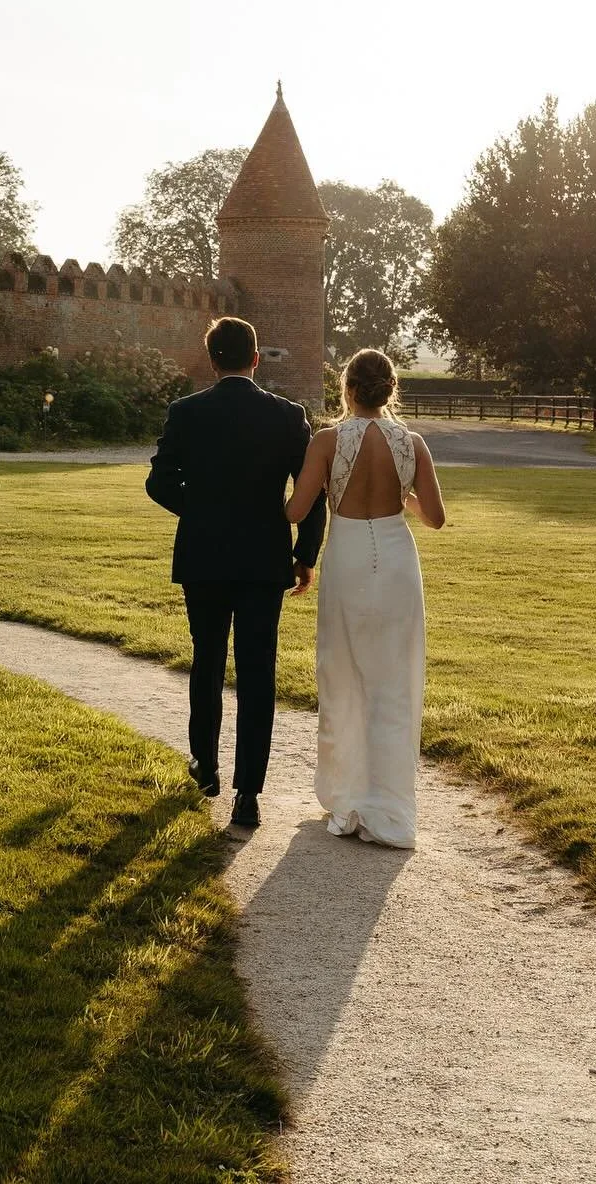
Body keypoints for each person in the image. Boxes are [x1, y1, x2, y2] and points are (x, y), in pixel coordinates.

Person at [146, 316, 326, 832]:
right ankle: (248, 793)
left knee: (206, 661)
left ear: (211, 359)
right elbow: (311, 494)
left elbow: (158, 483)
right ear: (255, 358)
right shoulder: (288, 416)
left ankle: (205, 768)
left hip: (203, 556)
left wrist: (198, 511)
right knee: (256, 670)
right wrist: (305, 553)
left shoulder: (186, 412)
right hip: (263, 557)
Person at [284, 348, 445, 848]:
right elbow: (435, 518)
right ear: (391, 389)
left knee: (345, 674)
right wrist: (403, 495)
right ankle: (389, 807)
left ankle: (348, 799)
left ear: (347, 389)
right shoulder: (412, 442)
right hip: (397, 556)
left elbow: (295, 511)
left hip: (349, 552)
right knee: (394, 680)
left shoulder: (328, 440)